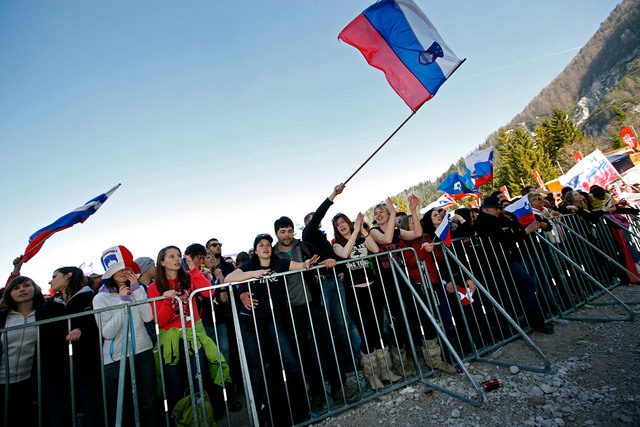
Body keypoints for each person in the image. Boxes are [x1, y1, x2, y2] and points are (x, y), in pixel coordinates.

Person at [225, 233, 321, 425]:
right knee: (261, 371)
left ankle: (302, 410)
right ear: (255, 249)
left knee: (292, 363)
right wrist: (252, 275)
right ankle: (266, 416)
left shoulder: (279, 262)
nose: (266, 247)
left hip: (275, 321)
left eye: (268, 244)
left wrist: (308, 263)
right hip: (253, 324)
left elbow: (300, 266)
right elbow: (228, 278)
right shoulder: (250, 265)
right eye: (261, 244)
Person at [272, 216, 357, 410]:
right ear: (277, 233)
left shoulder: (304, 246)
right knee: (305, 353)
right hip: (291, 310)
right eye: (282, 231)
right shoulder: (273, 255)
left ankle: (339, 388)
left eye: (289, 230)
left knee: (328, 344)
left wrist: (328, 261)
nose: (287, 235)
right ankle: (317, 393)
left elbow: (326, 256)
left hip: (313, 304)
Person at [146, 246, 230, 413]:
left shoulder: (189, 277)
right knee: (176, 386)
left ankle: (206, 416)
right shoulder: (154, 287)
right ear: (162, 262)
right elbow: (161, 321)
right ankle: (184, 419)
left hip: (194, 335)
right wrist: (167, 301)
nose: (177, 259)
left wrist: (194, 271)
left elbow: (209, 293)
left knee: (200, 380)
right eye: (171, 256)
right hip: (171, 342)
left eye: (178, 255)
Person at [332, 212, 401, 390]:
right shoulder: (337, 244)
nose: (341, 225)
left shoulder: (362, 238)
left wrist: (361, 229)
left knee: (379, 329)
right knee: (366, 333)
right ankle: (372, 376)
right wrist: (354, 233)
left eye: (344, 222)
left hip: (373, 288)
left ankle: (386, 371)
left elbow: (376, 249)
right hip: (356, 293)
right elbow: (345, 254)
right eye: (338, 224)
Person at [474, 196, 554, 334]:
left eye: (500, 209)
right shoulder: (483, 222)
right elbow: (501, 237)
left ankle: (531, 321)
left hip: (508, 259)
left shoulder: (496, 218)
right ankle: (527, 323)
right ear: (486, 209)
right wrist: (525, 231)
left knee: (523, 287)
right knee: (526, 284)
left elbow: (512, 226)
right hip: (499, 262)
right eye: (496, 209)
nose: (499, 211)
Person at [302, 183, 358, 374]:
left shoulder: (323, 238)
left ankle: (353, 363)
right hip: (322, 284)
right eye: (312, 220)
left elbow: (333, 258)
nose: (316, 221)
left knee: (343, 323)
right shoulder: (307, 234)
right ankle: (335, 369)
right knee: (328, 327)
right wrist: (333, 194)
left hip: (335, 281)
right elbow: (319, 213)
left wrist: (340, 269)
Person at [39, 266, 103, 427]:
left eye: (55, 276)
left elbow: (98, 323)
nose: (50, 280)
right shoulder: (50, 305)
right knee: (60, 413)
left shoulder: (90, 297)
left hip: (87, 365)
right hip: (57, 369)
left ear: (68, 276)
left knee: (93, 410)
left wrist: (82, 329)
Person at [369, 195, 424, 376]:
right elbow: (386, 239)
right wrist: (392, 214)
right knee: (396, 320)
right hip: (386, 283)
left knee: (418, 309)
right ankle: (400, 362)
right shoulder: (373, 232)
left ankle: (427, 354)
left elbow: (417, 234)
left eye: (381, 212)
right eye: (375, 213)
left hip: (402, 278)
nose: (378, 215)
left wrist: (413, 211)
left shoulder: (398, 232)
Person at [0, 276, 45, 427]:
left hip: (28, 381)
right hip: (1, 380)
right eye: (16, 288)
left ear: (35, 289)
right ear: (9, 293)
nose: (22, 290)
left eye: (26, 285)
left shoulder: (45, 313)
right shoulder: (2, 316)